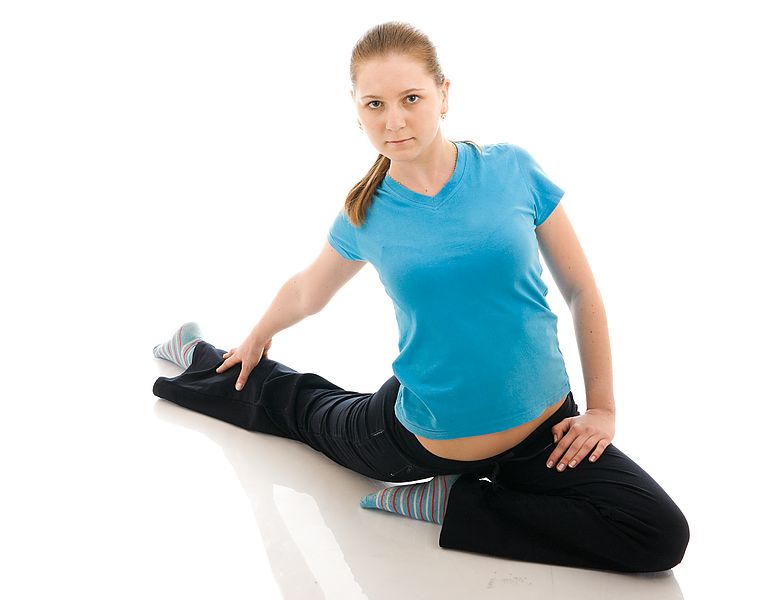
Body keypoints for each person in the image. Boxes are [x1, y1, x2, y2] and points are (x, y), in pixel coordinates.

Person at [152, 21, 690, 573]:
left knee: (659, 535)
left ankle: (452, 501)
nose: (395, 120)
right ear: (356, 111)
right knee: (303, 408)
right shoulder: (367, 213)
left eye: (411, 98)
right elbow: (307, 291)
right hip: (418, 436)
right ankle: (199, 357)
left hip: (544, 432)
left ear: (444, 94)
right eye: (375, 104)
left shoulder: (511, 170)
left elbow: (581, 289)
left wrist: (602, 409)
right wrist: (258, 333)